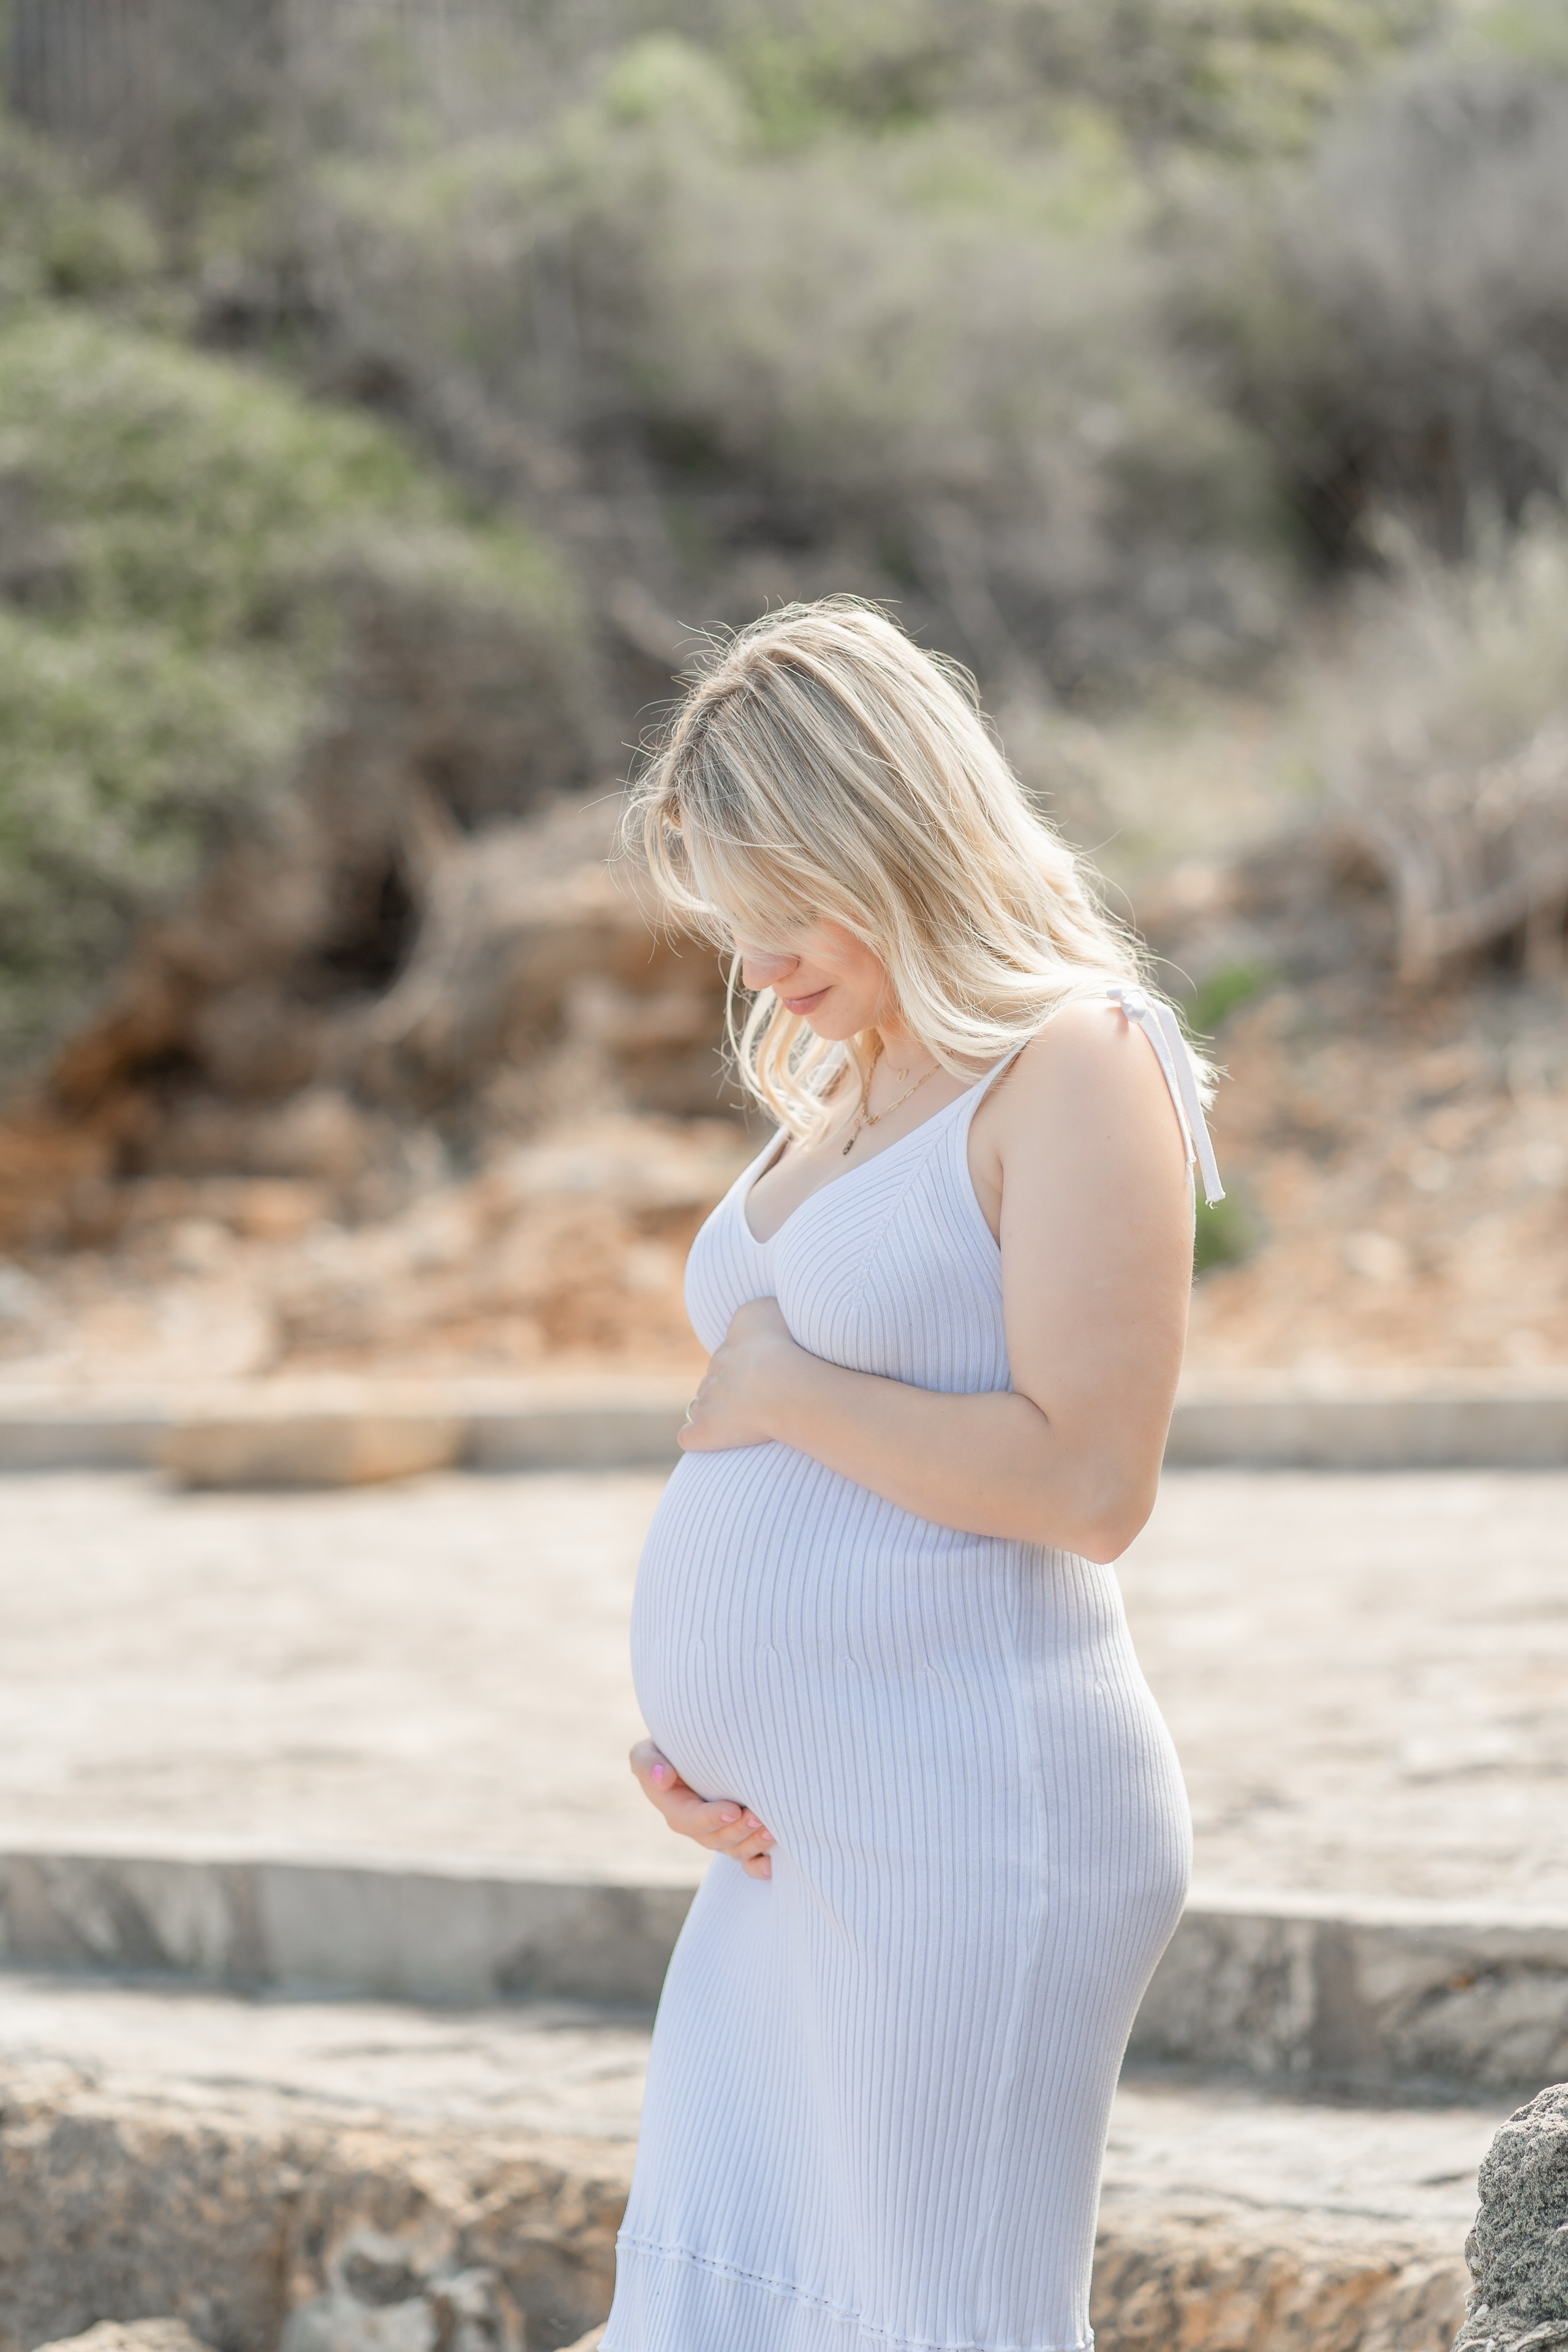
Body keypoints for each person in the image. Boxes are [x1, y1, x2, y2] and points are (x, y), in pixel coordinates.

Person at [601, 599, 1223, 2352]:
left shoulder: (1080, 1061)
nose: (759, 967)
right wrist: (707, 1741)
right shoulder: (849, 1081)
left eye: (786, 906)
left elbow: (1091, 1481)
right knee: (726, 2313)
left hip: (973, 1816)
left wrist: (784, 1386)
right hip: (788, 1847)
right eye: (730, 922)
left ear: (896, 834)